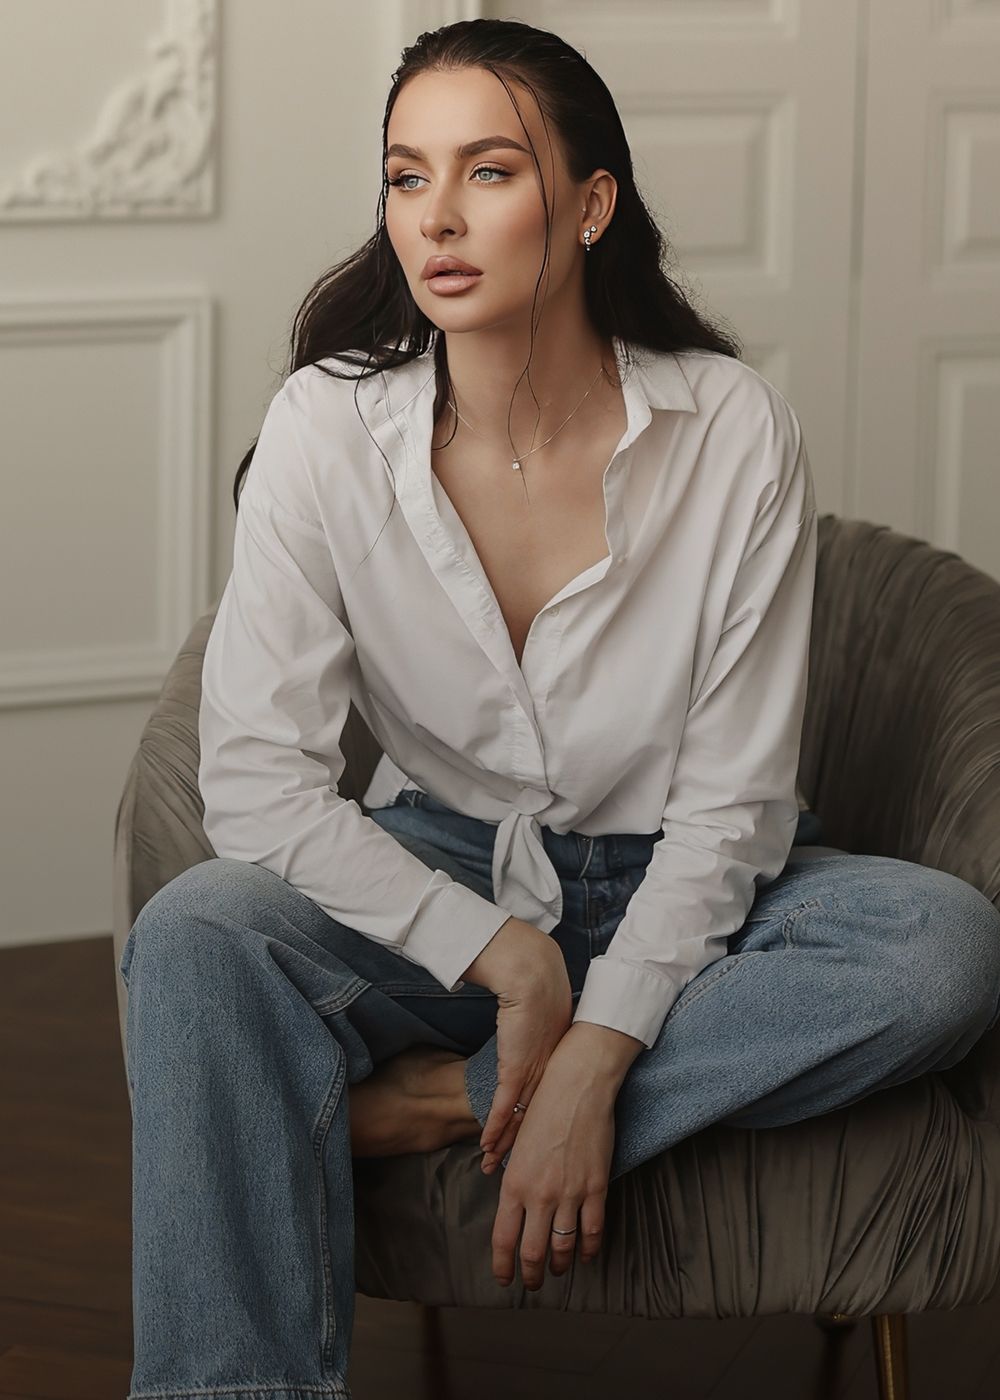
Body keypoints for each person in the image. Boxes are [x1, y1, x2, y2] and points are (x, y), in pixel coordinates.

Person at [117, 18, 1000, 1400]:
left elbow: (736, 806)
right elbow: (256, 784)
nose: (439, 219)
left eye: (489, 171)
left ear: (590, 205)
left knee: (944, 950)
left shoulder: (732, 430)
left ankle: (430, 1106)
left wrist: (595, 1055)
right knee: (199, 935)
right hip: (456, 869)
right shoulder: (322, 430)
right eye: (408, 177)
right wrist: (504, 956)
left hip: (698, 888)